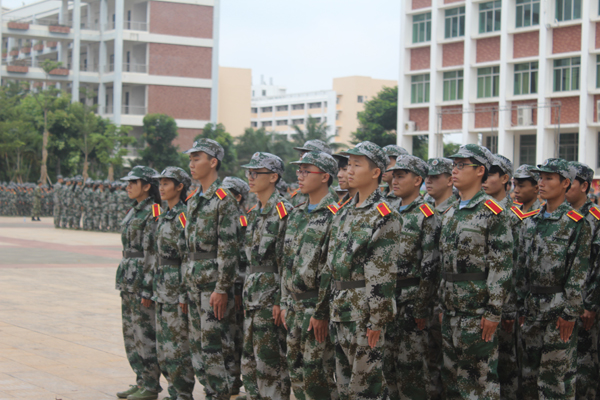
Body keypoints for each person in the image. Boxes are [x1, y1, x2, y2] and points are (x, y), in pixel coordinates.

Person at [325, 141, 401, 399]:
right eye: (349, 164)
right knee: (345, 386)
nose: (349, 170)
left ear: (376, 172)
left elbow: (382, 273)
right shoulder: (344, 211)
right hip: (340, 309)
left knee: (366, 388)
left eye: (357, 165)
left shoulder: (384, 215)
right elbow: (331, 265)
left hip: (363, 313)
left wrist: (377, 319)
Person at [439, 144, 513, 399]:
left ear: (480, 170)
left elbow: (501, 265)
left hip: (477, 312)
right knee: (452, 380)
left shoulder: (492, 212)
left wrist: (493, 311)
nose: (455, 170)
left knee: (480, 381)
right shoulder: (450, 211)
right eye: (454, 165)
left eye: (462, 165)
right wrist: (442, 304)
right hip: (450, 310)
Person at [517, 158, 592, 400]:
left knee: (555, 381)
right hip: (531, 308)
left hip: (558, 311)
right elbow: (521, 269)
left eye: (549, 178)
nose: (541, 183)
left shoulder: (576, 223)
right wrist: (519, 306)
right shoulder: (530, 222)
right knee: (529, 377)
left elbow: (578, 272)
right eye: (540, 178)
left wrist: (570, 313)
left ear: (565, 183)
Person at [279, 151, 340, 400]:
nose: (300, 176)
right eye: (299, 170)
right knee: (297, 373)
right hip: (294, 307)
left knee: (319, 377)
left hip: (316, 307)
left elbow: (330, 270)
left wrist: (322, 312)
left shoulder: (335, 214)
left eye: (306, 171)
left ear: (325, 177)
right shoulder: (296, 213)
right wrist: (284, 302)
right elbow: (287, 262)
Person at [183, 139, 239, 400]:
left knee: (215, 345)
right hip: (194, 283)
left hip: (212, 286)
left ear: (213, 162)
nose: (191, 164)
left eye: (197, 158)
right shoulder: (194, 200)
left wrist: (222, 288)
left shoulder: (223, 200)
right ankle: (210, 390)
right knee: (197, 345)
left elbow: (229, 247)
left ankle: (219, 393)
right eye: (190, 159)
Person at [384, 155, 440, 400]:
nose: (395, 181)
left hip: (411, 302)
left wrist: (421, 307)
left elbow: (430, 265)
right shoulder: (387, 211)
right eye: (394, 175)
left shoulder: (426, 214)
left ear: (418, 180)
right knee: (386, 368)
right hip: (386, 301)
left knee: (412, 370)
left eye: (401, 176)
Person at [239, 152, 291, 400]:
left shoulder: (283, 211)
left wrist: (281, 300)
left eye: (255, 173)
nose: (250, 177)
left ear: (273, 177)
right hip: (252, 296)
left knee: (271, 363)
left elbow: (287, 261)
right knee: (249, 362)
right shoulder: (253, 212)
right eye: (248, 172)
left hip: (271, 298)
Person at [115, 166, 162, 400]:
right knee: (131, 333)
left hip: (142, 279)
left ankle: (151, 385)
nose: (128, 186)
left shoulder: (153, 211)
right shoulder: (135, 210)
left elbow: (152, 252)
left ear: (146, 186)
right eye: (128, 182)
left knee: (145, 333)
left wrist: (147, 286)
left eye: (133, 182)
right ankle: (141, 379)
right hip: (128, 278)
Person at [151, 167, 195, 400]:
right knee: (164, 347)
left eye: (167, 183)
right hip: (162, 287)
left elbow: (188, 257)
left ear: (180, 187)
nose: (161, 187)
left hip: (176, 288)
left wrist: (184, 293)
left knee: (178, 345)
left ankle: (183, 393)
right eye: (160, 183)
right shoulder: (163, 214)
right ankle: (174, 391)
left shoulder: (183, 216)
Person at [484, 154, 521, 400]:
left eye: (491, 174)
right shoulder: (478, 212)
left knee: (506, 367)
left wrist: (508, 309)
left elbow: (516, 266)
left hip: (505, 305)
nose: (485, 179)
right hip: (480, 303)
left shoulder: (514, 216)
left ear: (505, 178)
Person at [565, 161, 600, 399]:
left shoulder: (595, 217)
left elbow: (597, 264)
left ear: (585, 186)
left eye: (570, 183)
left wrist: (590, 303)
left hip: (586, 302)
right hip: (565, 301)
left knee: (585, 362)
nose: (565, 186)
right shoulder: (562, 215)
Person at [221, 176, 251, 395]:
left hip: (236, 287)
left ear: (238, 197)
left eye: (227, 193)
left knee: (233, 333)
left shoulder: (241, 219)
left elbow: (242, 255)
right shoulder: (225, 217)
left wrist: (239, 286)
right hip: (226, 285)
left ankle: (233, 378)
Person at [291, 140, 334, 206]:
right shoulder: (298, 194)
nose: (302, 159)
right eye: (301, 155)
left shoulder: (331, 196)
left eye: (308, 155)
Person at [381, 145, 408, 210]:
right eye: (382, 164)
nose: (383, 168)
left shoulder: (404, 197)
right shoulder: (382, 194)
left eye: (387, 164)